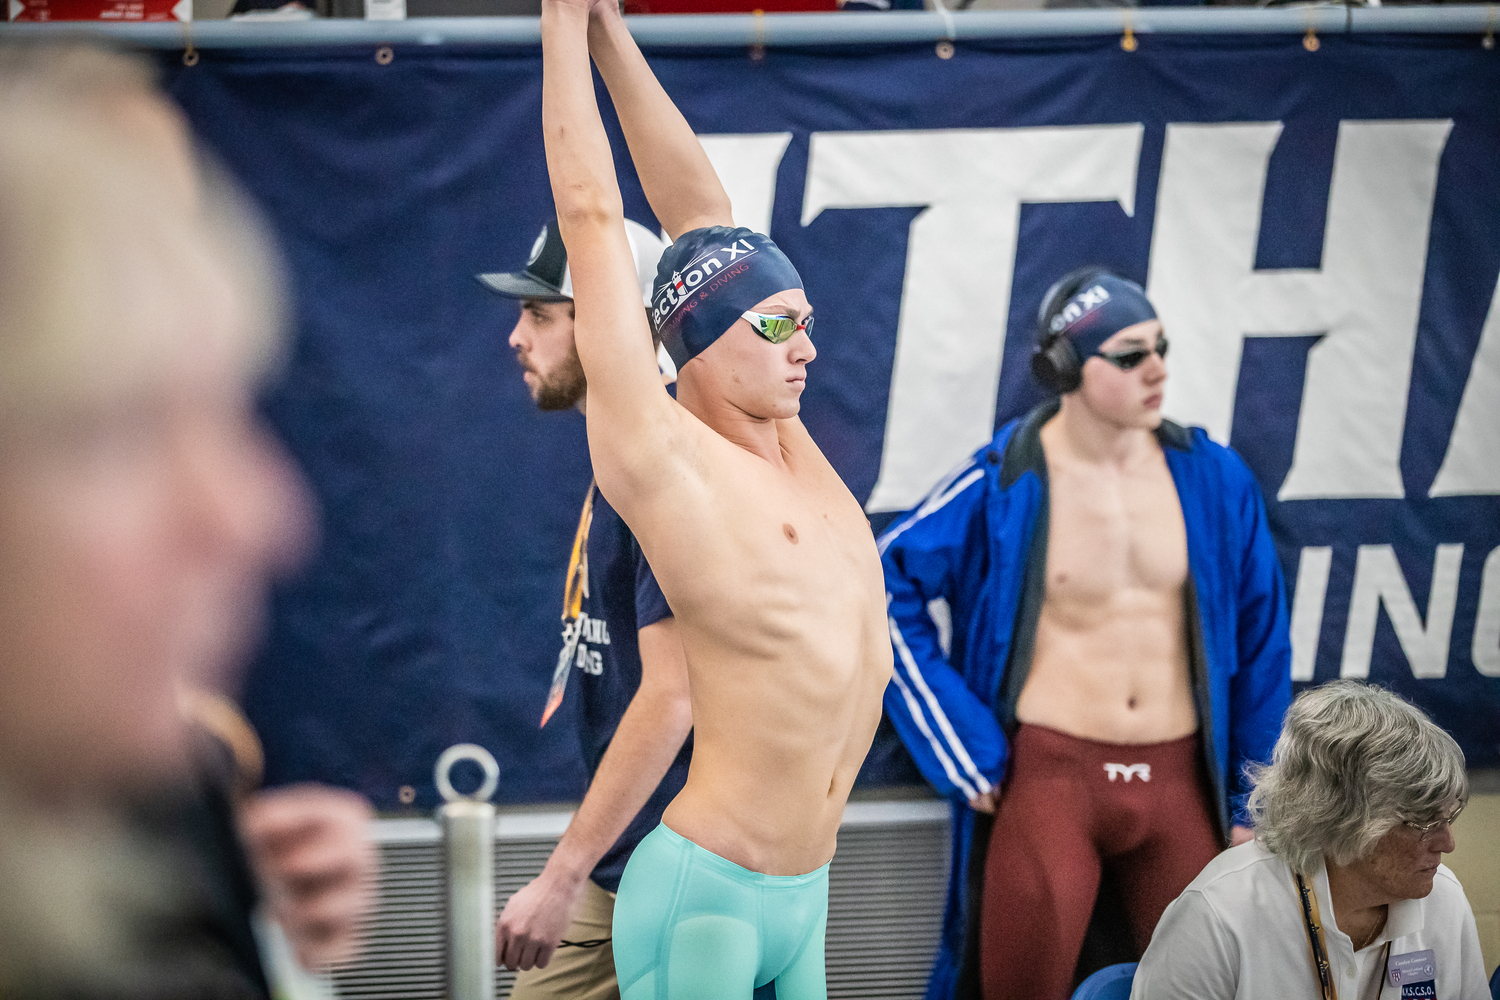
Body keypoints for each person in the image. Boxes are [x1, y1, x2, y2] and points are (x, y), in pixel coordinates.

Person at [0, 43, 372, 996]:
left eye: (226, 412)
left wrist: (227, 902)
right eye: (116, 429)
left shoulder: (138, 796)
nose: (259, 520)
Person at [538, 2, 894, 998]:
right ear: (705, 338)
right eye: (780, 328)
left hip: (804, 893)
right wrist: (560, 33)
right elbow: (594, 216)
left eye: (807, 322)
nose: (809, 350)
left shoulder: (788, 443)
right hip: (707, 892)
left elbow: (700, 212)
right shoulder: (665, 456)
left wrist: (609, 27)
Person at [879, 267, 1293, 1000]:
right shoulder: (1006, 478)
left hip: (1177, 786)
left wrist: (1251, 802)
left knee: (1217, 989)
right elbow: (882, 585)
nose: (1158, 369)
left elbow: (1263, 647)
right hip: (1052, 783)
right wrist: (963, 745)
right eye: (1130, 355)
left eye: (1162, 347)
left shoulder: (1214, 478)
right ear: (1066, 367)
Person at [476, 217, 697, 1000]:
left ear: (608, 322)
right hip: (634, 857)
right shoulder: (621, 450)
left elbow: (674, 695)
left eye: (541, 314)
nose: (515, 337)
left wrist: (562, 873)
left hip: (681, 874)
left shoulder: (665, 464)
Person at [1133, 680, 1488, 999]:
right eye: (1422, 822)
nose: (1447, 842)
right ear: (1341, 818)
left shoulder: (1443, 898)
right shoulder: (1218, 914)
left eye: (1448, 817)